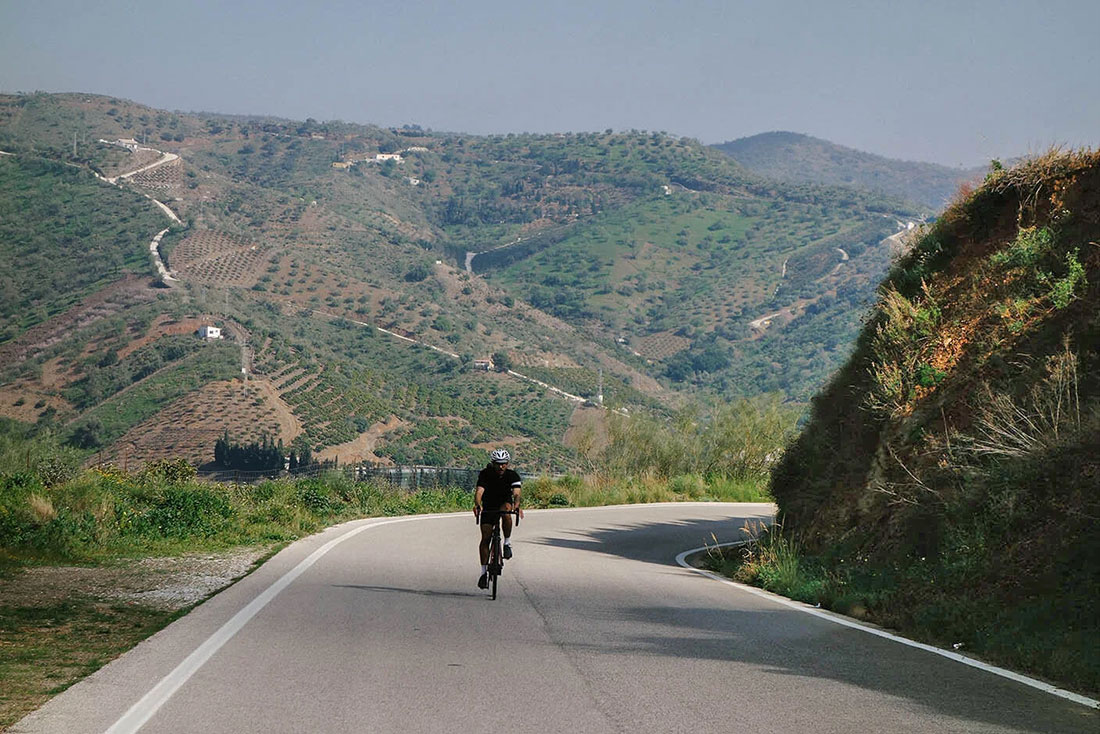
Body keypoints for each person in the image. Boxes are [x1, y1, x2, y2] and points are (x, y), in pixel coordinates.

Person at [474, 448, 523, 589]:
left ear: (507, 463)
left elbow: (517, 493)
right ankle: (483, 573)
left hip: (504, 503)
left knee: (506, 513)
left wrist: (517, 505)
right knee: (485, 538)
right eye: (498, 463)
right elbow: (479, 492)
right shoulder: (485, 474)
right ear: (493, 463)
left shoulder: (512, 476)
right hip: (489, 506)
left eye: (504, 463)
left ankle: (507, 543)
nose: (501, 466)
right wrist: (478, 504)